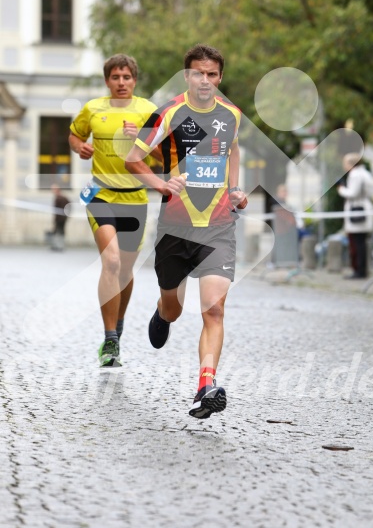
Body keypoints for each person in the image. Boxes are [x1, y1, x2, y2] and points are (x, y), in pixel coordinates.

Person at [125, 44, 247, 419]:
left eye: (212, 74)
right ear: (187, 76)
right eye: (198, 73)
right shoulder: (168, 112)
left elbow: (233, 151)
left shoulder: (232, 115)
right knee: (175, 307)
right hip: (176, 227)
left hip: (219, 226)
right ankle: (162, 313)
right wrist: (160, 185)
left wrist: (235, 189)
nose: (205, 80)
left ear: (220, 77)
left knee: (214, 309)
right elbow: (133, 158)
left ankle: (204, 387)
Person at [69, 54, 158, 367]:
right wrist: (80, 147)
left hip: (135, 199)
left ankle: (117, 326)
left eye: (127, 77)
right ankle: (109, 340)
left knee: (125, 271)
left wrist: (143, 140)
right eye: (116, 77)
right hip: (101, 195)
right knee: (112, 261)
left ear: (135, 80)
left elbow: (164, 156)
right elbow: (75, 135)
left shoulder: (148, 110)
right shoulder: (93, 108)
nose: (122, 83)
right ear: (107, 80)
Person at [337, 153, 373, 279]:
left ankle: (359, 270)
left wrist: (341, 190)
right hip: (363, 208)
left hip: (357, 209)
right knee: (361, 242)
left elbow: (353, 193)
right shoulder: (365, 173)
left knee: (357, 243)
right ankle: (361, 269)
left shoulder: (355, 174)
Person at [50, 184, 70, 251]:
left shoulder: (61, 198)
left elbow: (68, 206)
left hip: (61, 219)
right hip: (59, 218)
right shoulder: (60, 198)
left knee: (60, 232)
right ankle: (57, 245)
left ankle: (59, 246)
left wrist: (66, 215)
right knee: (57, 232)